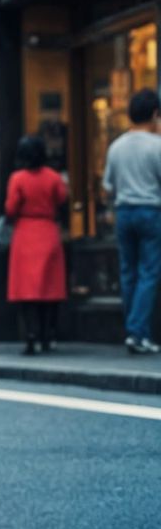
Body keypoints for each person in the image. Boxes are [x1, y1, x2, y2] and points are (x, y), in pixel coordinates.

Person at [104, 87, 161, 356]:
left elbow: (107, 186)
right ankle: (139, 332)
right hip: (151, 210)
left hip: (123, 211)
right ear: (154, 114)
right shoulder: (157, 145)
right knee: (149, 272)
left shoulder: (116, 146)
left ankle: (134, 331)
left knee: (128, 273)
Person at [4, 135, 67, 355]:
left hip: (25, 232)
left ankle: (31, 335)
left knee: (27, 290)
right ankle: (49, 336)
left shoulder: (17, 179)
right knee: (50, 289)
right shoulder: (53, 177)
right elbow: (62, 199)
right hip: (48, 231)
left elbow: (11, 208)